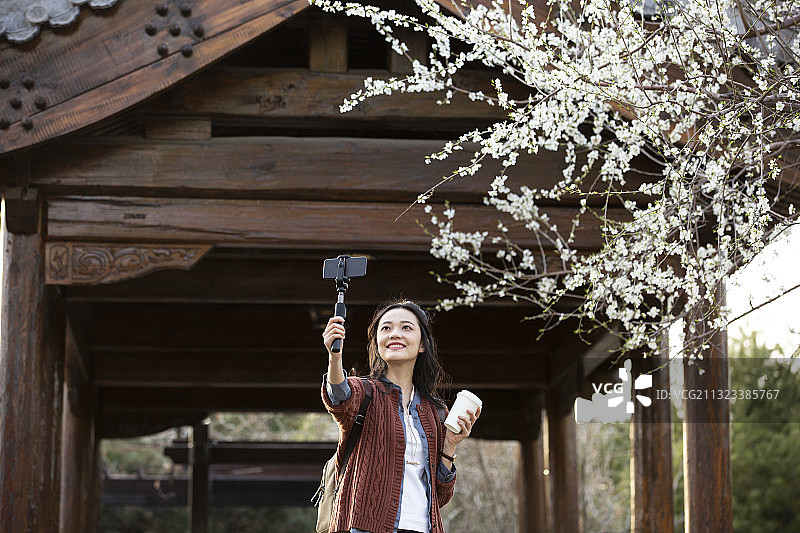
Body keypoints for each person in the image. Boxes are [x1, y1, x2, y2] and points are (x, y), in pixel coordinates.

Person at [321, 299, 480, 533]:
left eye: (406, 327)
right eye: (386, 328)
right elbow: (338, 394)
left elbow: (440, 496)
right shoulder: (364, 393)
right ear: (377, 342)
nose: (395, 334)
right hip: (365, 527)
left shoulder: (435, 412)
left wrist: (449, 446)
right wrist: (335, 357)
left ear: (423, 344)